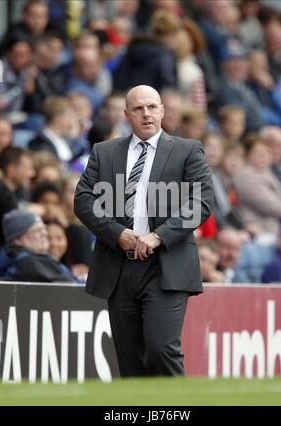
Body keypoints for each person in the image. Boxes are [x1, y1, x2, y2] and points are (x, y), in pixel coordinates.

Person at [74, 85, 213, 377]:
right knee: (130, 361)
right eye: (138, 108)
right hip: (119, 266)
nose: (146, 114)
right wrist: (116, 233)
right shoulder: (104, 151)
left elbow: (201, 201)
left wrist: (159, 235)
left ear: (162, 110)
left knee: (162, 348)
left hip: (166, 266)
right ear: (126, 115)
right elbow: (83, 200)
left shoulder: (187, 150)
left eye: (152, 107)